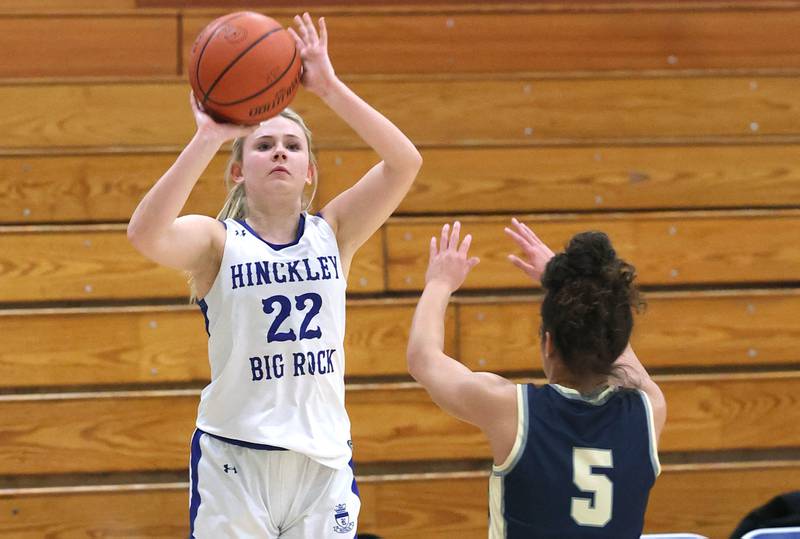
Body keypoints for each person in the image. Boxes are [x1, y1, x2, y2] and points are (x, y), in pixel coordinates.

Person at [127, 13, 421, 538]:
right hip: (236, 457)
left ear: (310, 170)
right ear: (239, 169)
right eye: (263, 145)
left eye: (293, 145)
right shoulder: (217, 241)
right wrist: (210, 135)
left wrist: (329, 88)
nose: (279, 150)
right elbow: (146, 234)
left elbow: (404, 162)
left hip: (322, 459)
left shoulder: (334, 231)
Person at [406, 219, 666, 538]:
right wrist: (575, 291)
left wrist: (439, 283)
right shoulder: (648, 411)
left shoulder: (512, 411)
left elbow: (423, 358)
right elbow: (616, 345)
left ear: (548, 342)